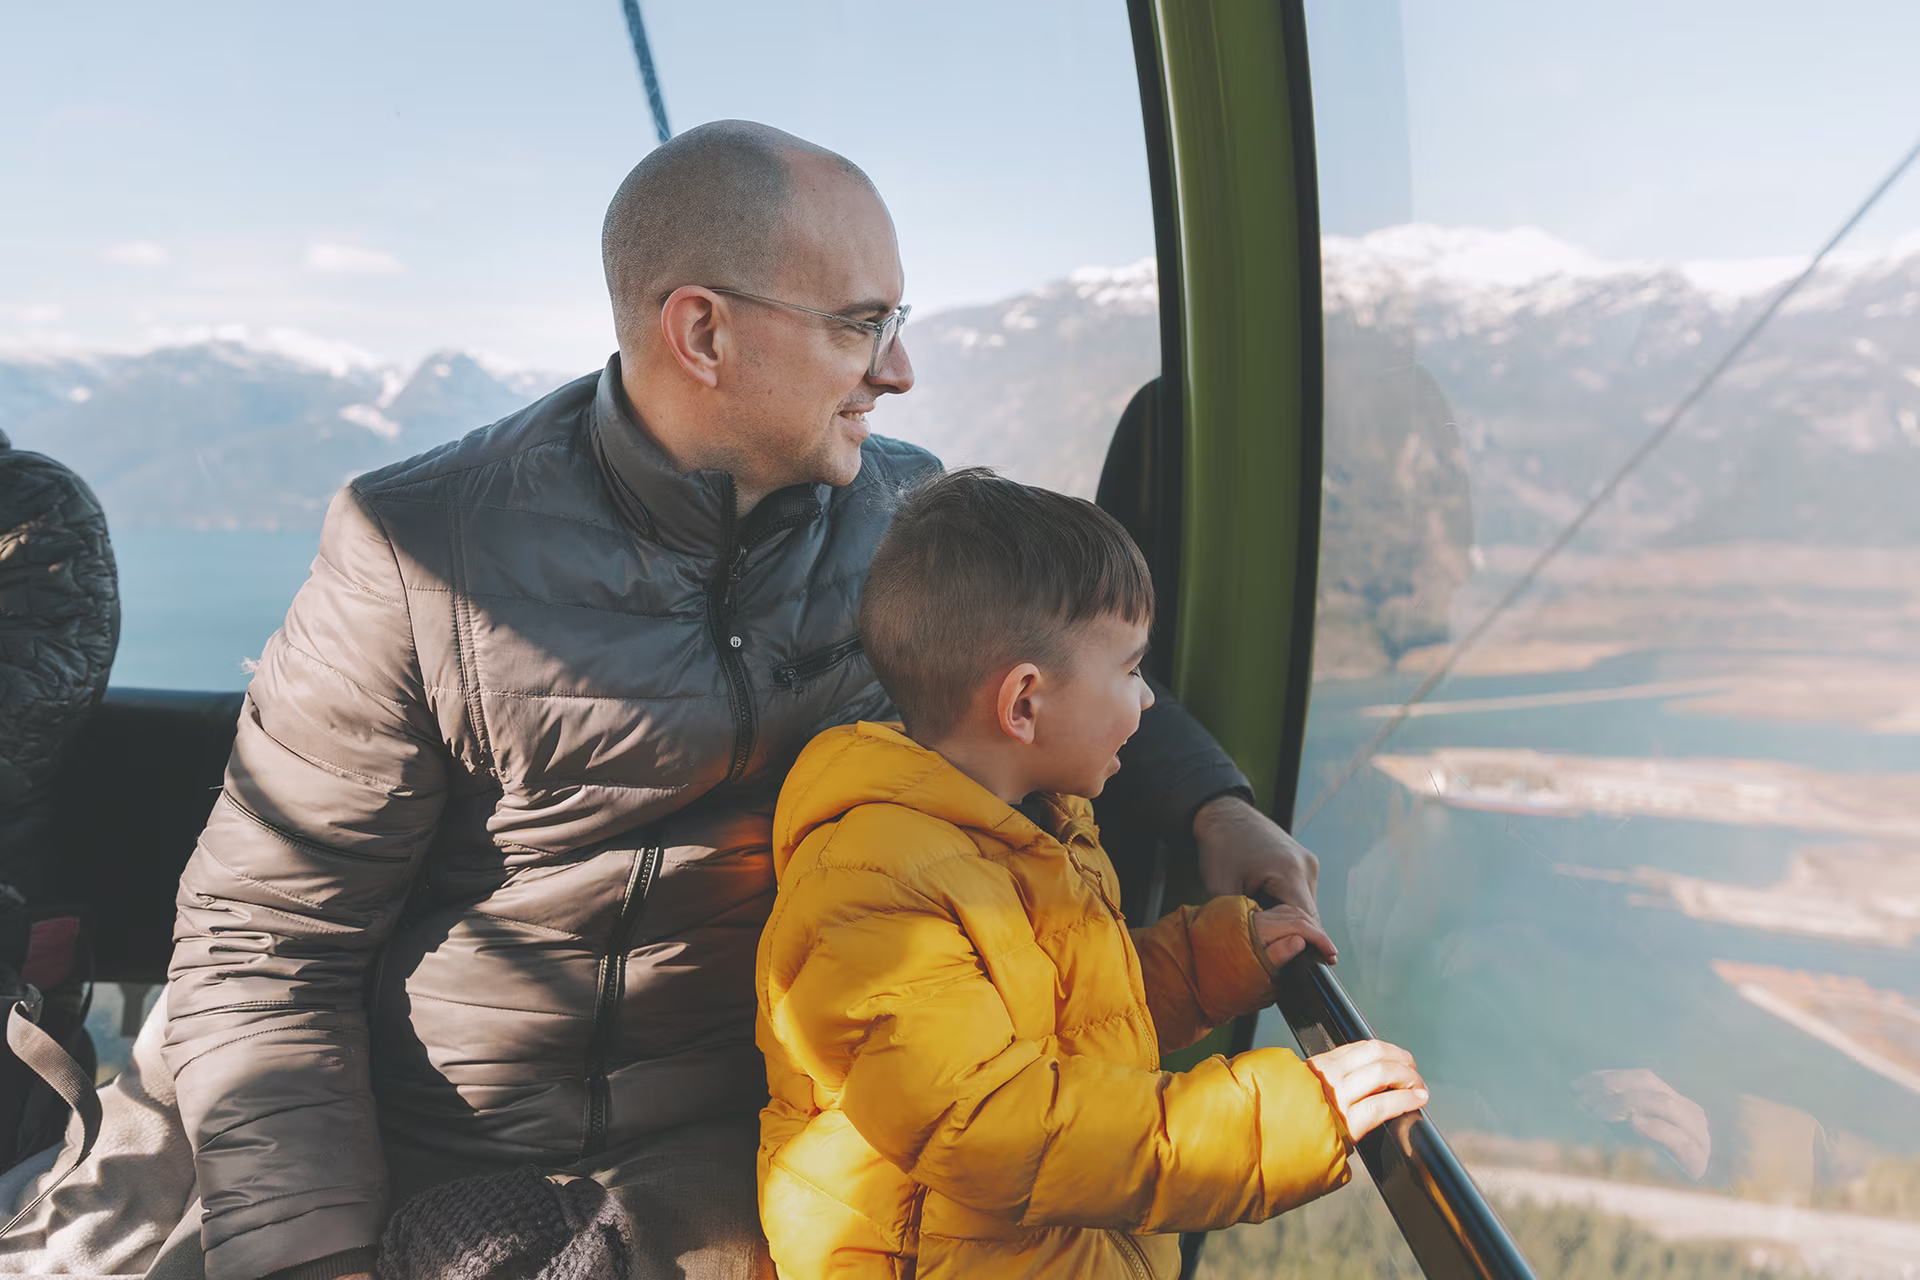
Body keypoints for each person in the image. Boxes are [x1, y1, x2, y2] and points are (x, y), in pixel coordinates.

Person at [153, 121, 1327, 1280]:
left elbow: (1069, 670)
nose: (899, 371)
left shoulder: (904, 519)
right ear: (703, 332)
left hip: (752, 1150)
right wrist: (315, 1256)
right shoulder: (420, 551)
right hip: (440, 1153)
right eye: (864, 324)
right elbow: (266, 940)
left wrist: (1215, 806)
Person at [756, 469, 1429, 1278]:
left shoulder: (1033, 828)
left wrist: (1216, 961)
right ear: (1024, 705)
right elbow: (994, 1123)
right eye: (1132, 670)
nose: (1147, 703)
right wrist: (1272, 1125)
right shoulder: (870, 889)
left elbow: (1066, 1014)